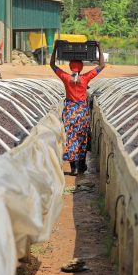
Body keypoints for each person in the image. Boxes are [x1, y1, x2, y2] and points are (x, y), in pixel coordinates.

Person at [50, 40, 105, 175]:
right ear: (81, 68)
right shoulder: (85, 78)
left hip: (70, 112)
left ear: (70, 67)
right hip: (82, 112)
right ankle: (81, 166)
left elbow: (52, 64)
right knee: (82, 137)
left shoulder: (65, 77)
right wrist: (99, 46)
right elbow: (102, 65)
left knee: (71, 138)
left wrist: (55, 47)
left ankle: (74, 167)